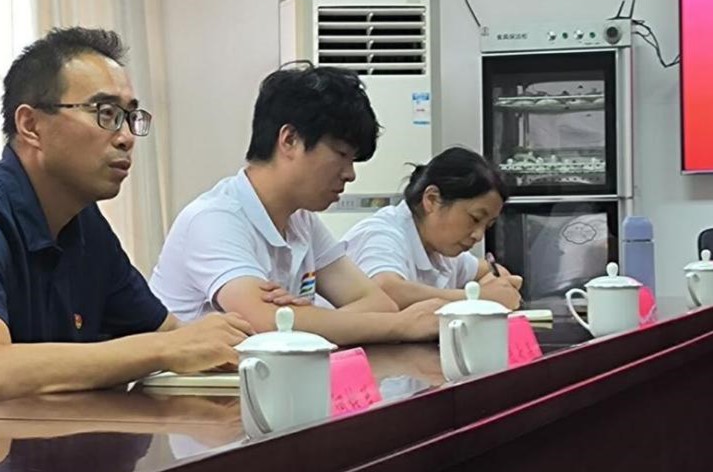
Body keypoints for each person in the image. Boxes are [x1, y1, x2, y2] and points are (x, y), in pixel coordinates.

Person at [0, 27, 252, 402]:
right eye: (105, 113)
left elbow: (167, 334)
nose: (126, 137)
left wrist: (221, 344)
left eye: (130, 116)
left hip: (38, 437)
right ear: (31, 125)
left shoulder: (84, 224)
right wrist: (164, 349)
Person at [150, 63, 441, 346]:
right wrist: (403, 325)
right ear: (289, 140)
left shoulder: (301, 221)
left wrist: (301, 319)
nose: (350, 174)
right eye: (341, 154)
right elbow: (266, 324)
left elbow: (379, 304)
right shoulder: (214, 219)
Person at [342, 146, 522, 309]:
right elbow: (385, 291)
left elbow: (488, 270)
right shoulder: (382, 234)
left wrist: (498, 285)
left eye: (488, 226)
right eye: (475, 219)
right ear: (432, 199)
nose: (479, 235)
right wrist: (478, 298)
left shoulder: (441, 251)